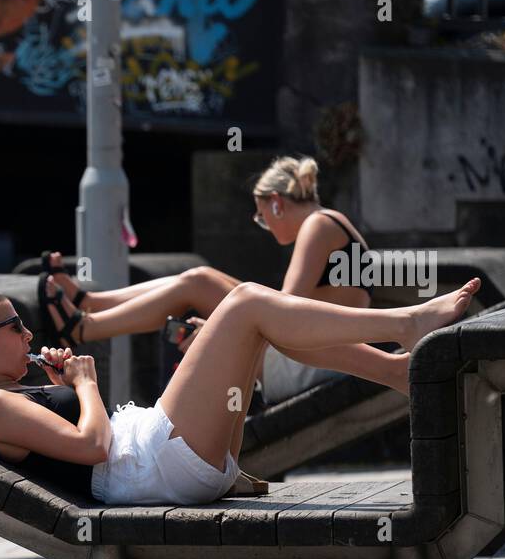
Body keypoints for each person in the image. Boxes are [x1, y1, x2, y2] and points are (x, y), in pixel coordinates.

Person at [0, 277, 480, 507]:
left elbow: (78, 443)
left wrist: (64, 388)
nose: (28, 334)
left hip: (166, 460)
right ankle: (403, 326)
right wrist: (85, 383)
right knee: (242, 302)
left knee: (256, 320)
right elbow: (94, 448)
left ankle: (394, 365)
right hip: (151, 464)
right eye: (14, 327)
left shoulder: (8, 400)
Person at [39, 155, 405, 401]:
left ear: (277, 202)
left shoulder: (319, 224)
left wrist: (222, 325)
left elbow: (285, 310)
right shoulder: (333, 223)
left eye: (263, 216)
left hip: (305, 363)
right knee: (199, 279)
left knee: (199, 281)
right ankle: (90, 307)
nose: (264, 225)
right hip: (312, 356)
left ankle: (86, 326)